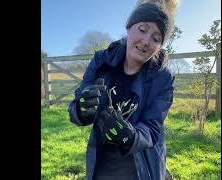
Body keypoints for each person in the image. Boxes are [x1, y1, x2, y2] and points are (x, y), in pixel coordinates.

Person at [68, 1, 178, 179]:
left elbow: (153, 127)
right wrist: (81, 110)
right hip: (103, 158)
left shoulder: (163, 77)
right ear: (129, 28)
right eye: (142, 30)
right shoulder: (101, 61)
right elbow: (76, 107)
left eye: (156, 39)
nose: (146, 41)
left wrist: (131, 136)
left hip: (143, 162)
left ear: (160, 46)